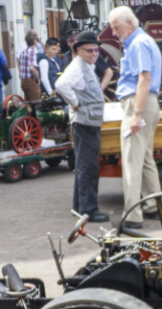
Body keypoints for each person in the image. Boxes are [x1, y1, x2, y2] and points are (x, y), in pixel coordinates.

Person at [109, 6, 162, 229]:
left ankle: (132, 216)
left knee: (132, 161)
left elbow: (144, 79)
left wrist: (135, 114)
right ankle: (153, 206)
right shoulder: (143, 41)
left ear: (130, 23)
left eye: (116, 27)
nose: (113, 32)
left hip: (137, 103)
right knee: (146, 158)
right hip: (147, 103)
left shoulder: (138, 44)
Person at [55, 31, 109, 223]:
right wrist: (75, 103)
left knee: (84, 166)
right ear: (78, 50)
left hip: (87, 122)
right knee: (89, 167)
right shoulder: (77, 66)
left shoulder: (85, 65)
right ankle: (89, 210)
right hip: (85, 123)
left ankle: (80, 207)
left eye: (96, 50)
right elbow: (60, 85)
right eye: (90, 50)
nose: (94, 54)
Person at [18, 31, 41, 101]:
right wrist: (38, 77)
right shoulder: (32, 51)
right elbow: (31, 67)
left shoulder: (23, 52)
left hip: (23, 81)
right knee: (36, 104)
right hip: (31, 81)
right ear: (35, 41)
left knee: (28, 105)